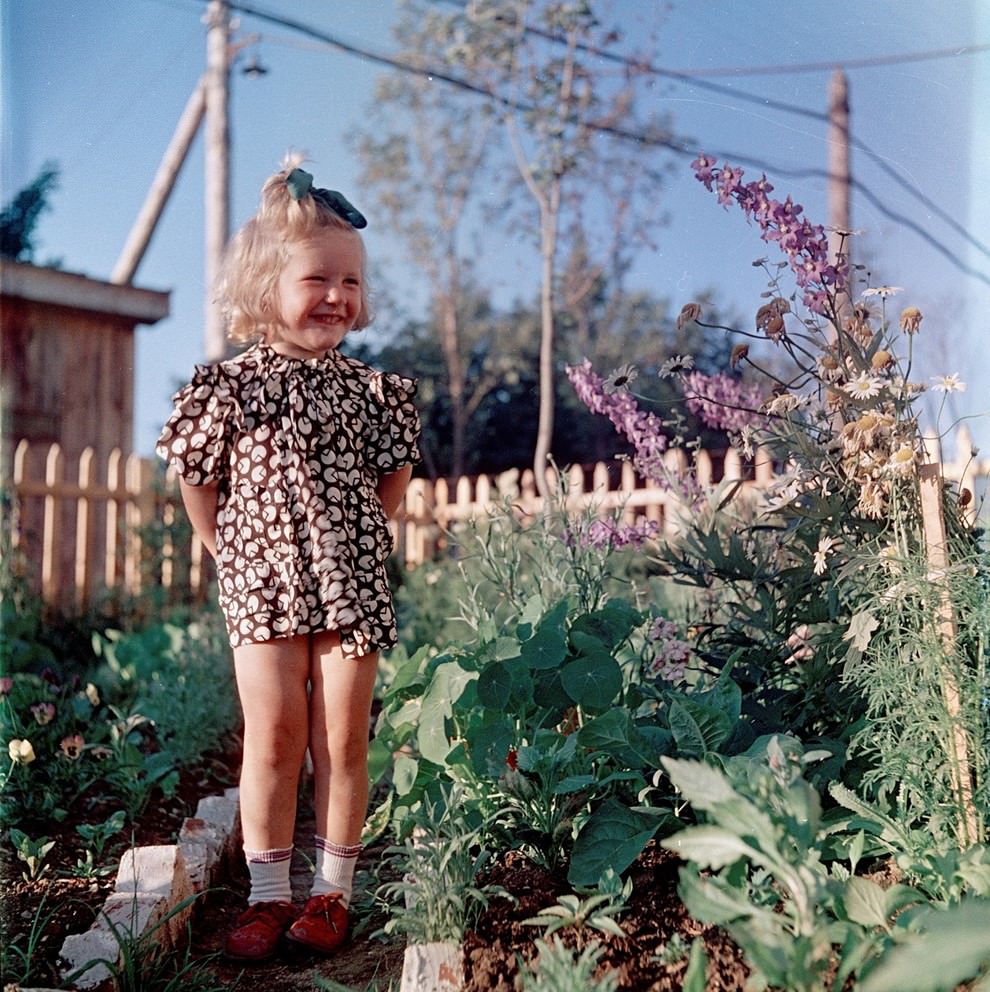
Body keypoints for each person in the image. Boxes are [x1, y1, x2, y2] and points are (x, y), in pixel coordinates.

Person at [156, 156, 421, 962]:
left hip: (351, 589)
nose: (338, 296)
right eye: (318, 279)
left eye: (351, 282)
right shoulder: (226, 389)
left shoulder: (374, 392)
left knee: (342, 739)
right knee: (272, 737)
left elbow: (394, 484)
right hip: (263, 586)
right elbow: (196, 482)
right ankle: (270, 896)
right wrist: (230, 552)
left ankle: (333, 892)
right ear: (265, 283)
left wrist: (349, 546)